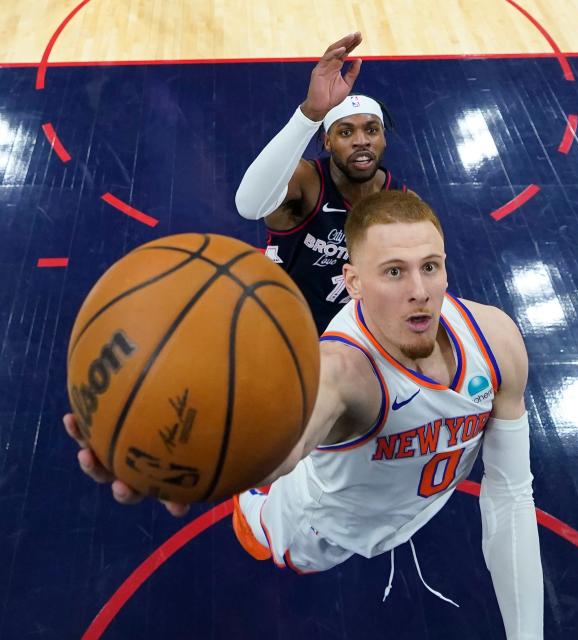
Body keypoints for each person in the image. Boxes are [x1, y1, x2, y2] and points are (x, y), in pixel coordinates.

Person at [64, 191, 544, 639]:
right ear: (352, 281)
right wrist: (167, 456)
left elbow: (511, 492)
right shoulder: (341, 373)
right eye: (394, 272)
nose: (419, 290)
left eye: (430, 267)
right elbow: (287, 448)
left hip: (408, 503)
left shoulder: (496, 340)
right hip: (303, 528)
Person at [235, 32, 412, 332]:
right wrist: (311, 114)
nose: (361, 141)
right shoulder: (306, 182)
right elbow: (248, 206)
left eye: (371, 130)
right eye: (345, 132)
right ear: (327, 142)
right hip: (281, 322)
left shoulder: (402, 203)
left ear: (383, 138)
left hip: (353, 334)